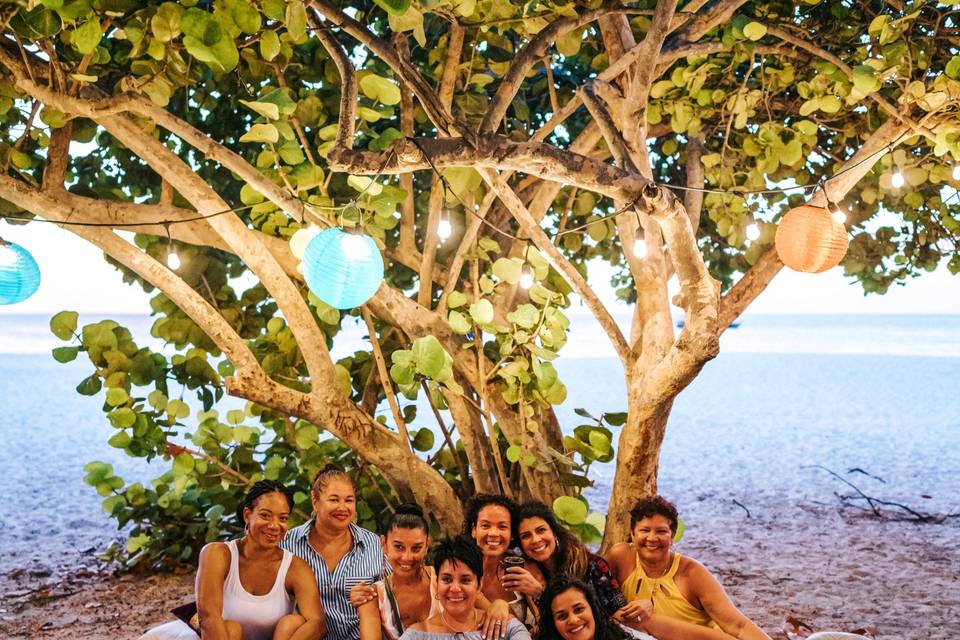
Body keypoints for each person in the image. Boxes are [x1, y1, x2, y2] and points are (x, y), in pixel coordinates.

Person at [140, 480, 325, 640]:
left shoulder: (295, 567)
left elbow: (317, 623)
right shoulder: (218, 553)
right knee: (231, 629)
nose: (274, 526)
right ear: (247, 515)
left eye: (282, 518)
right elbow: (209, 617)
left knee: (293, 622)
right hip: (211, 637)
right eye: (265, 515)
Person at [605, 497, 770, 640]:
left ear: (673, 536)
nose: (652, 538)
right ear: (633, 534)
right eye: (644, 530)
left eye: (661, 531)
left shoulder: (692, 574)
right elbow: (591, 590)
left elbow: (738, 625)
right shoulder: (621, 557)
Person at [281, 465, 391, 640]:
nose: (342, 507)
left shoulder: (374, 545)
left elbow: (397, 595)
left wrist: (376, 595)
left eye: (349, 500)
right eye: (333, 500)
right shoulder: (287, 544)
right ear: (315, 501)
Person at [399, 536, 531, 640]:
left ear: (479, 584)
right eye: (447, 579)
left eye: (465, 580)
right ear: (437, 583)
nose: (455, 588)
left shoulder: (507, 629)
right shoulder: (417, 635)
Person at [514, 501, 626, 617]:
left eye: (541, 530)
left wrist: (539, 594)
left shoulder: (593, 566)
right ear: (521, 545)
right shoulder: (529, 574)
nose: (536, 540)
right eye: (526, 536)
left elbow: (620, 612)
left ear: (554, 532)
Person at [538, 576, 734, 640]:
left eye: (579, 609)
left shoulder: (627, 622)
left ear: (593, 608)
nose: (573, 620)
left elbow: (707, 637)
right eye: (562, 616)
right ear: (553, 623)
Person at [348, 503, 439, 640]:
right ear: (384, 544)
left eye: (416, 548)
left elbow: (481, 610)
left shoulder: (445, 580)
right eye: (399, 547)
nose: (407, 557)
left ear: (427, 545)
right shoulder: (373, 597)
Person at [464, 494, 544, 630]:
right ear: (474, 530)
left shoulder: (525, 567)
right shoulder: (459, 568)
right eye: (485, 526)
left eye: (502, 527)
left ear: (512, 534)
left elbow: (546, 618)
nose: (494, 533)